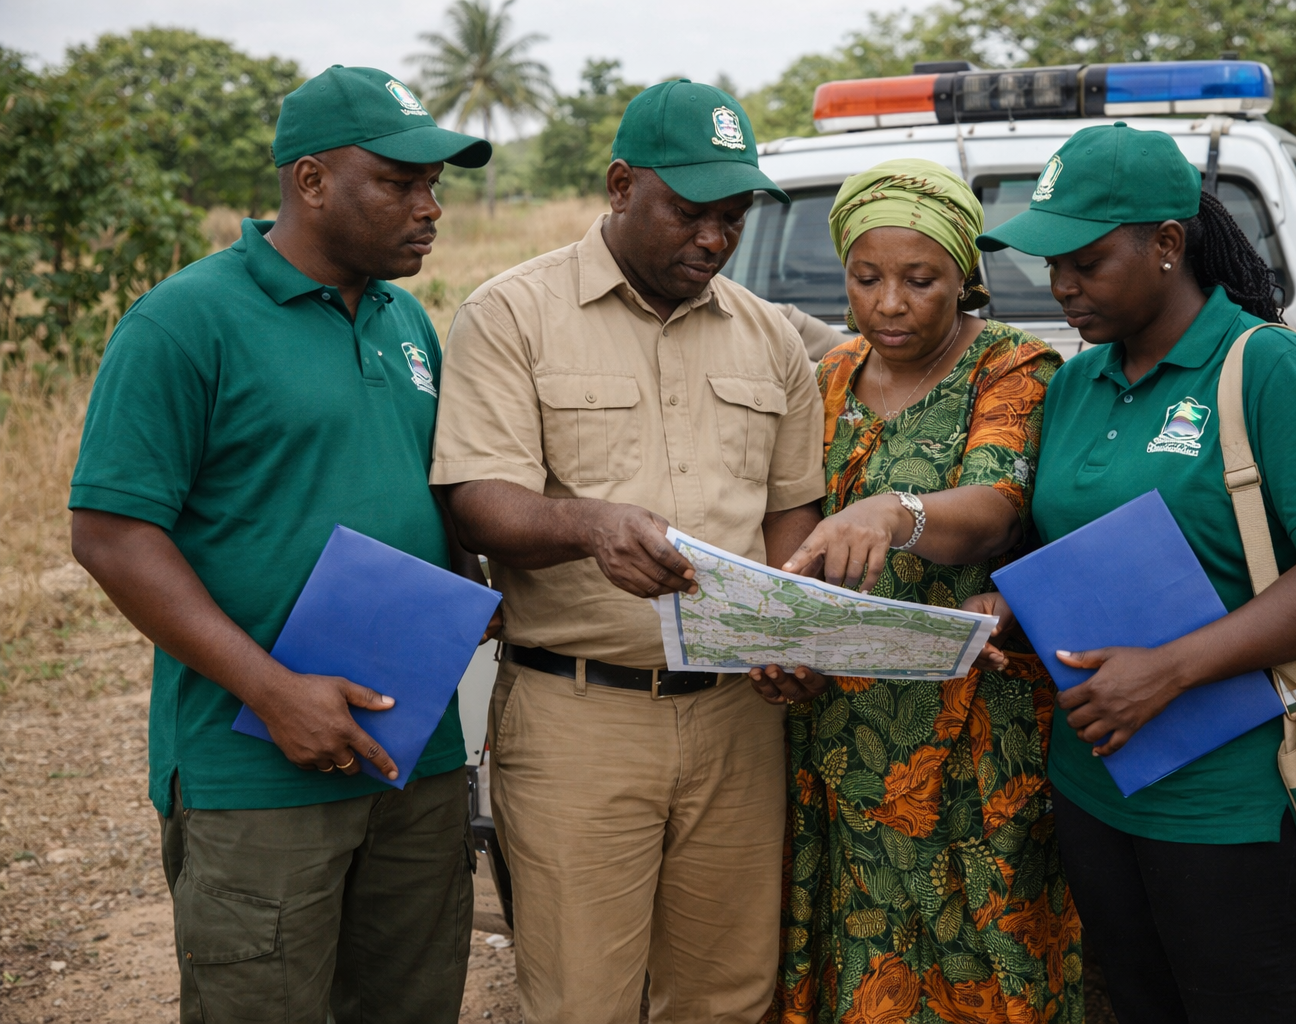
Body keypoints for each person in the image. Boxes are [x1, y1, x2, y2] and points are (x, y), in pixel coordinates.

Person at [68, 66, 498, 1024]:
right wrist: (272, 689)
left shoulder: (405, 320)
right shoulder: (184, 323)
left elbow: (418, 494)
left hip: (412, 755)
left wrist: (466, 585)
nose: (429, 207)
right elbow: (109, 534)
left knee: (411, 1002)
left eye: (436, 184)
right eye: (398, 182)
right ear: (309, 181)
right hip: (257, 767)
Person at [970, 123, 1296, 1022]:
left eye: (1085, 261)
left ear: (1168, 245)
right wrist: (1015, 610)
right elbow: (1080, 543)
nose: (1060, 286)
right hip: (1098, 785)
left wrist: (1168, 670)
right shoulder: (1077, 383)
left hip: (1238, 804)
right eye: (1049, 264)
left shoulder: (1267, 368)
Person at [429, 80, 824, 1024]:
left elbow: (790, 514)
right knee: (581, 1001)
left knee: (726, 996)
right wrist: (588, 525)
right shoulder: (511, 314)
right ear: (619, 186)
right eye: (690, 212)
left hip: (737, 718)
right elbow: (477, 501)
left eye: (732, 217)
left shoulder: (771, 338)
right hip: (580, 715)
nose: (716, 239)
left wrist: (796, 625)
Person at [757, 159, 1082, 1024]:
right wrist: (785, 636)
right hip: (841, 732)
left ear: (965, 276)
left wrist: (895, 509)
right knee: (855, 949)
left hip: (970, 738)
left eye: (920, 280)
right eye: (866, 279)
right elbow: (788, 517)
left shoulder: (1012, 368)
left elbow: (993, 510)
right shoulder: (826, 381)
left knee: (980, 952)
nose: (890, 305)